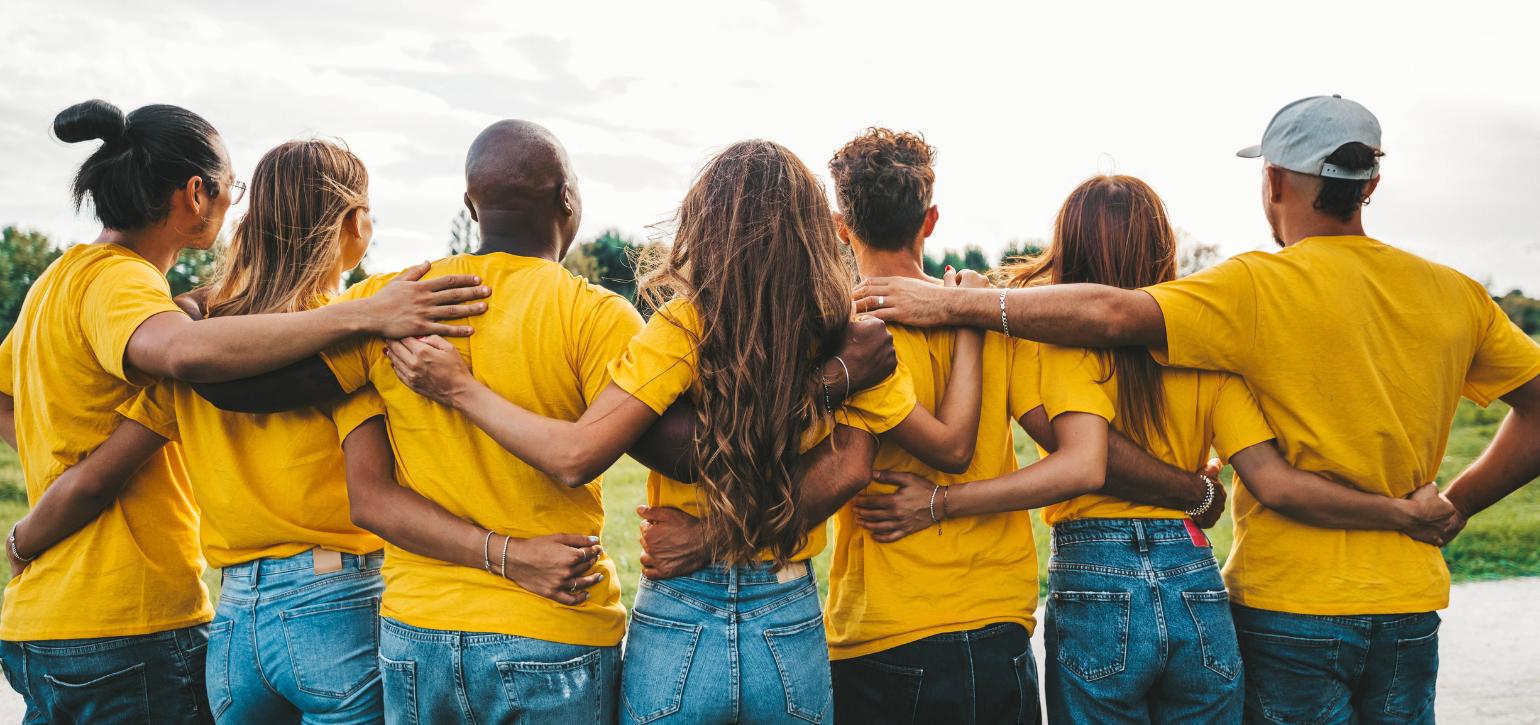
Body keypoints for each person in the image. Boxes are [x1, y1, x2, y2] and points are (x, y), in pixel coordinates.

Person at [851, 95, 1540, 724]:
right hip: (1392, 598)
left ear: (1273, 181)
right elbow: (1264, 473)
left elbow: (1113, 321)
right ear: (1371, 185)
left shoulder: (1248, 290)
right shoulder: (1453, 294)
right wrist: (1451, 504)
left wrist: (956, 303)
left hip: (1283, 600)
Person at [380, 139, 990, 724]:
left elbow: (577, 454)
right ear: (816, 230)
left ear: (703, 227)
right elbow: (848, 470)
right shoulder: (846, 336)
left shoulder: (682, 324)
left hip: (681, 614)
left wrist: (459, 388)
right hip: (787, 613)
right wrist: (827, 386)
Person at [0, 101, 488, 725]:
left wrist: (50, 467)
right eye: (230, 187)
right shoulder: (141, 302)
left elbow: (69, 433)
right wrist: (363, 313)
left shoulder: (72, 285)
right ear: (197, 194)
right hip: (148, 609)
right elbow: (181, 360)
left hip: (146, 617)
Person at [817, 128, 1215, 725]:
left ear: (841, 225)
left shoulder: (841, 336)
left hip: (888, 624)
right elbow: (1077, 447)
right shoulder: (992, 323)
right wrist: (1192, 490)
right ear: (930, 221)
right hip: (999, 619)